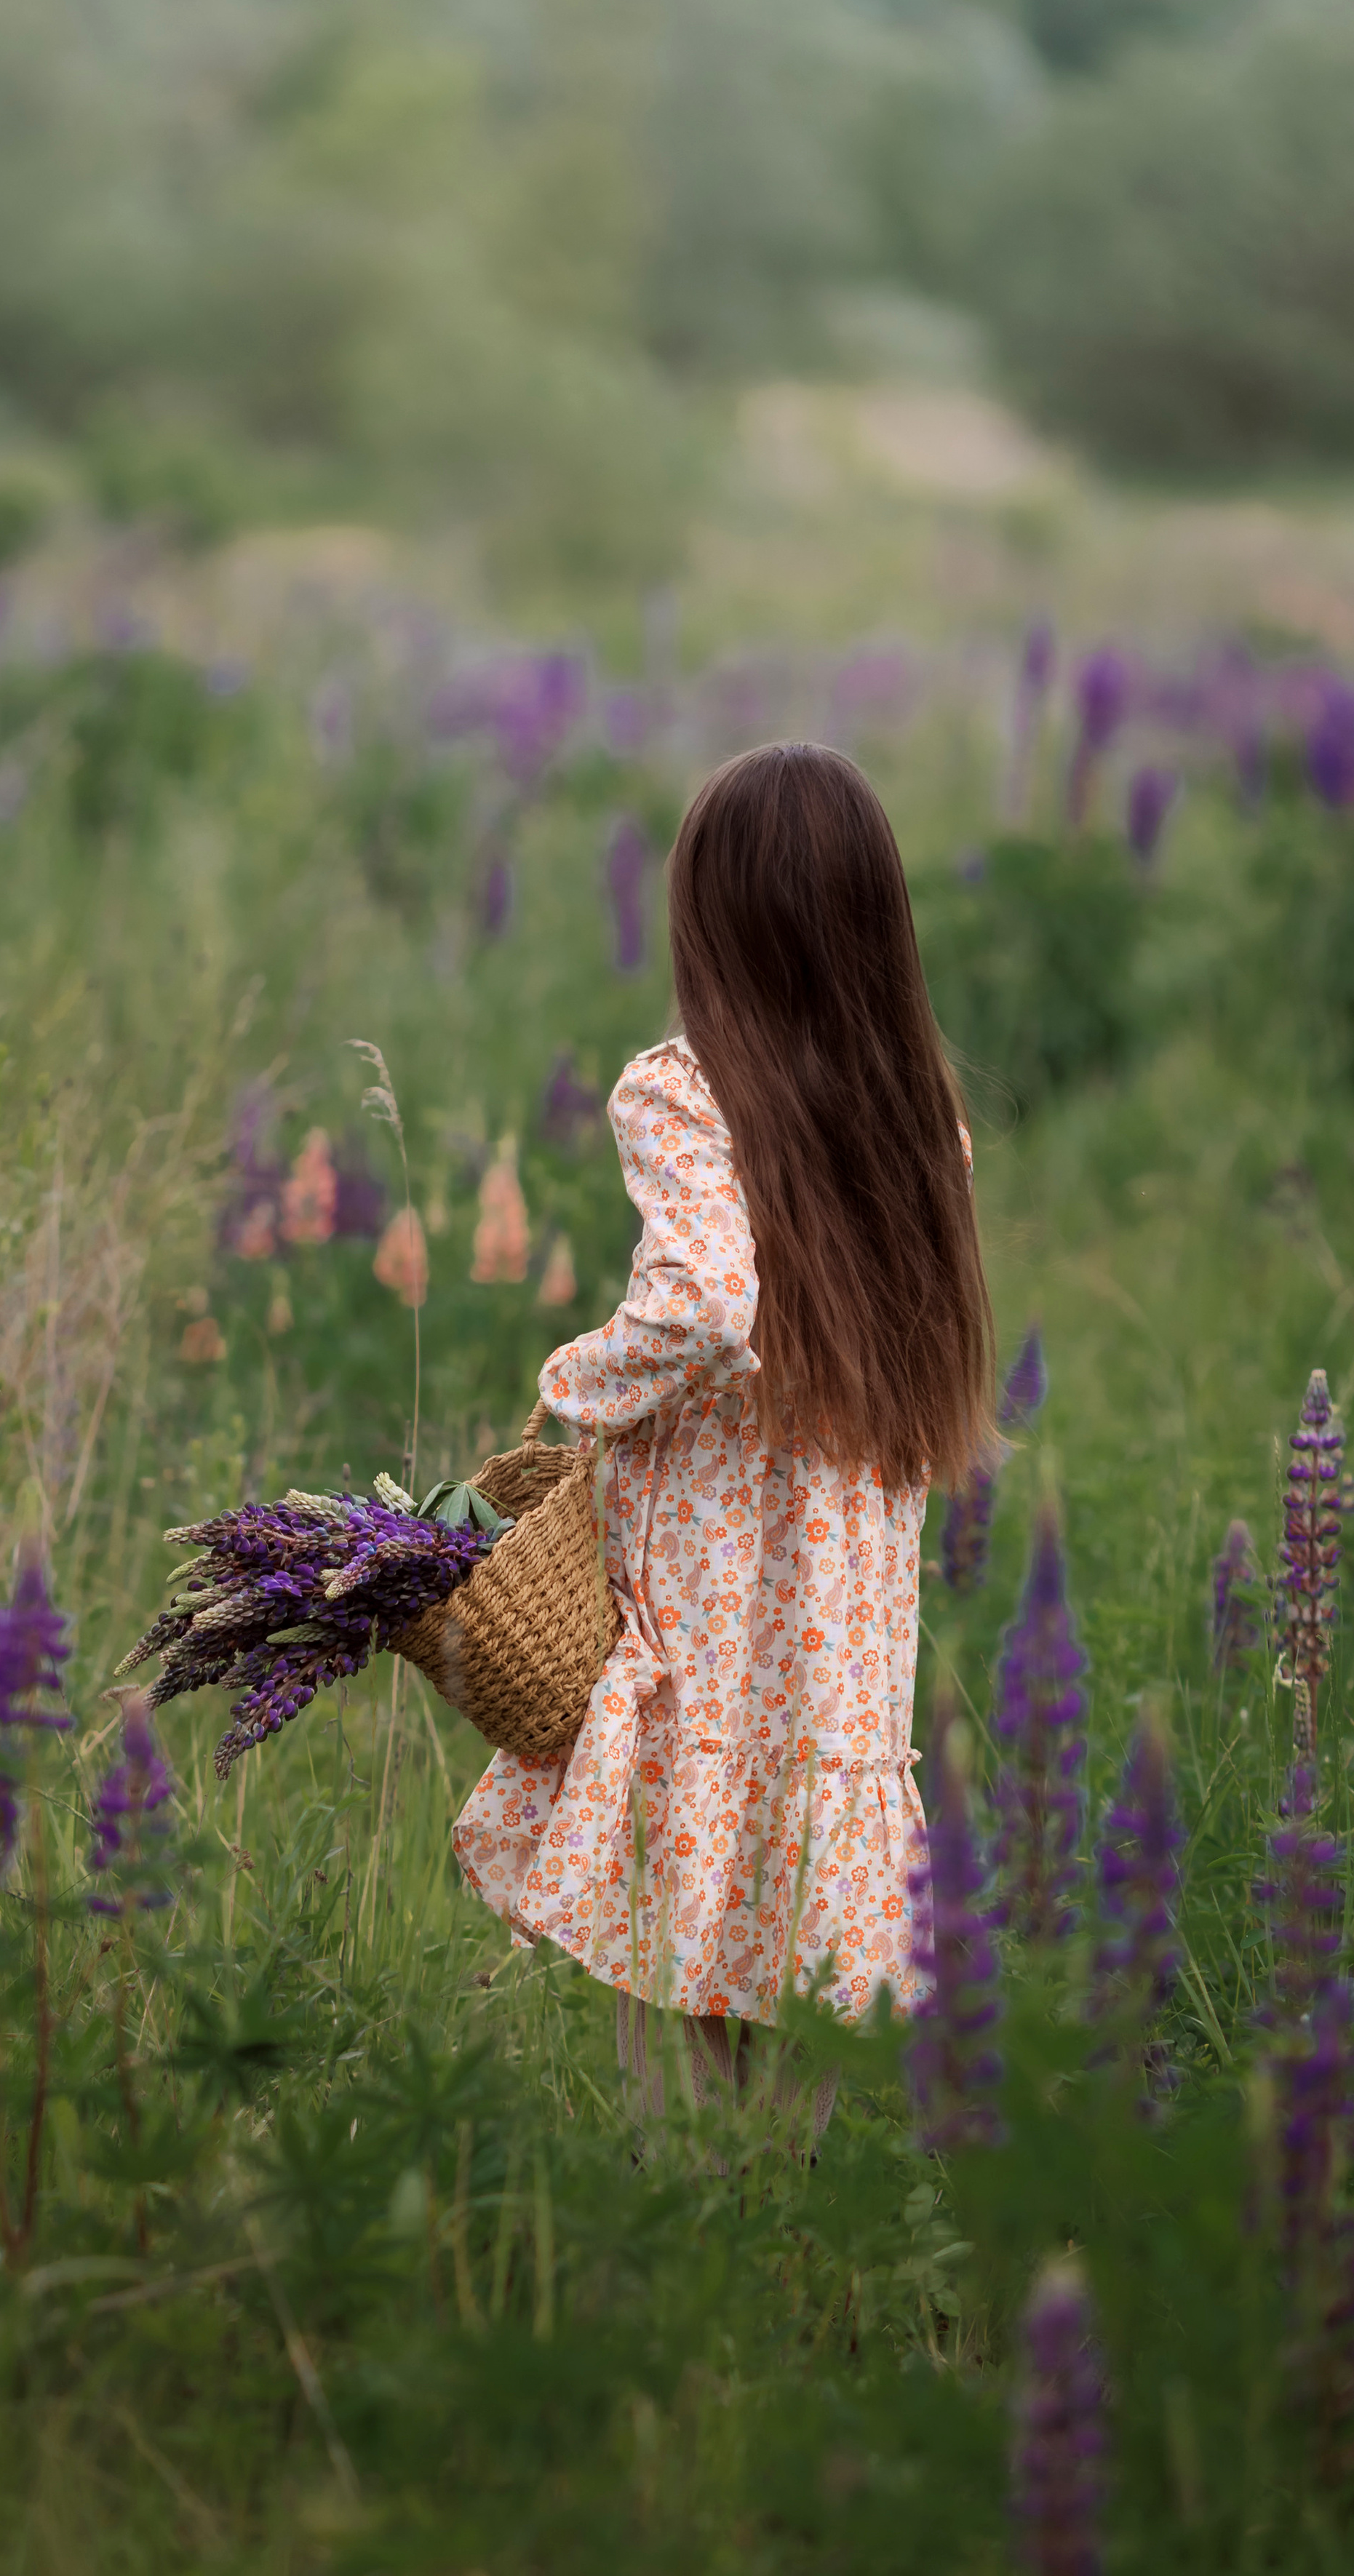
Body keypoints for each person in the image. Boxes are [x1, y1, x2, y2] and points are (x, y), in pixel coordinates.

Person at [453, 742, 993, 2146]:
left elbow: (700, 1299)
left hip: (709, 1603)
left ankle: (690, 2265)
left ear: (713, 923)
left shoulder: (686, 1090)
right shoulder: (918, 1115)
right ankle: (785, 2264)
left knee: (677, 1981)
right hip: (844, 1632)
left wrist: (578, 1381)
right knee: (807, 1968)